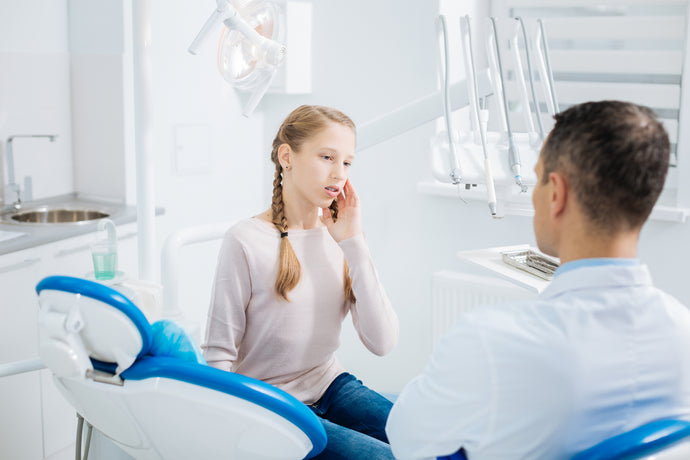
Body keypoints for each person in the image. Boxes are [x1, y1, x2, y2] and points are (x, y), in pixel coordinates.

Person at [385, 100, 690, 459]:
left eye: (537, 177)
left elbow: (404, 438)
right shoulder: (681, 329)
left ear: (556, 194)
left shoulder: (492, 340)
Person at [203, 105, 399, 459]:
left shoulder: (342, 237)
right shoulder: (245, 239)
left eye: (347, 162)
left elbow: (382, 342)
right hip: (270, 403)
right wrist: (230, 432)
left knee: (434, 442)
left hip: (330, 384)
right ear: (286, 157)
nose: (339, 174)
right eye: (327, 157)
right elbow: (219, 353)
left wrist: (354, 243)